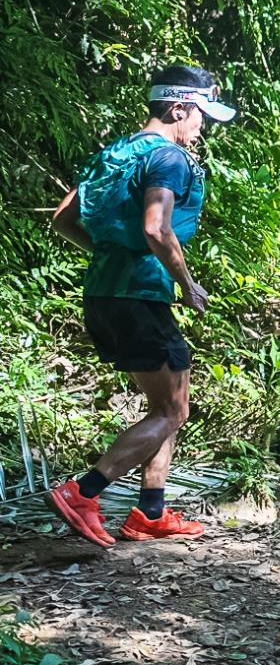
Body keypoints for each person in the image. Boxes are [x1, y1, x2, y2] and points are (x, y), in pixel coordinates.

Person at [46, 65, 235, 547]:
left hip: (104, 294)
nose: (202, 127)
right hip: (141, 297)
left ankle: (149, 512)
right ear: (178, 109)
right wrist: (187, 283)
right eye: (201, 117)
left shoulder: (116, 152)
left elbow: (63, 219)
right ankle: (83, 492)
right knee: (172, 411)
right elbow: (156, 227)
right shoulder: (168, 157)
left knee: (171, 401)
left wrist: (114, 256)